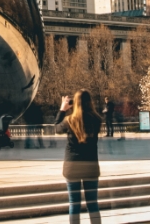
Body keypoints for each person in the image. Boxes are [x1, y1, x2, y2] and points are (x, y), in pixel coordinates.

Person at [54, 90, 102, 224]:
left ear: (75, 103)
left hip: (73, 166)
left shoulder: (69, 120)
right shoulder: (97, 119)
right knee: (92, 204)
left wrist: (62, 110)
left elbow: (56, 129)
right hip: (90, 165)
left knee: (74, 203)